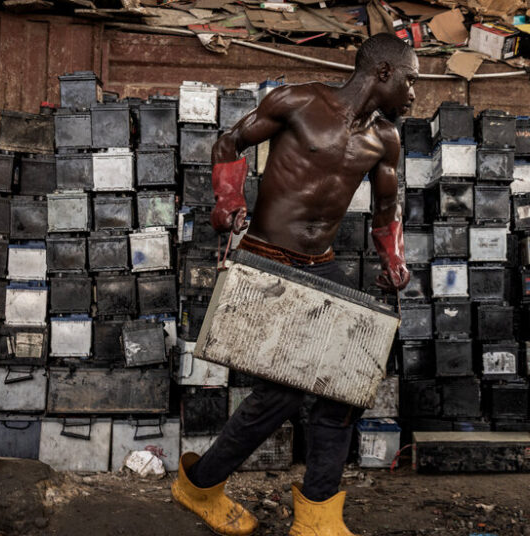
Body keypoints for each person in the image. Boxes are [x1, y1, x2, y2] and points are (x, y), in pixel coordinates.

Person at [170, 33, 416, 536]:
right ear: (385, 73)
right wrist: (227, 198)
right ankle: (199, 485)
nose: (414, 94)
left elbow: (388, 209)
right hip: (264, 257)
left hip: (320, 264)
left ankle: (318, 515)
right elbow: (228, 142)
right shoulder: (301, 100)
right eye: (411, 81)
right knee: (282, 395)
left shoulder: (385, 139)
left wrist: (392, 255)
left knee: (347, 385)